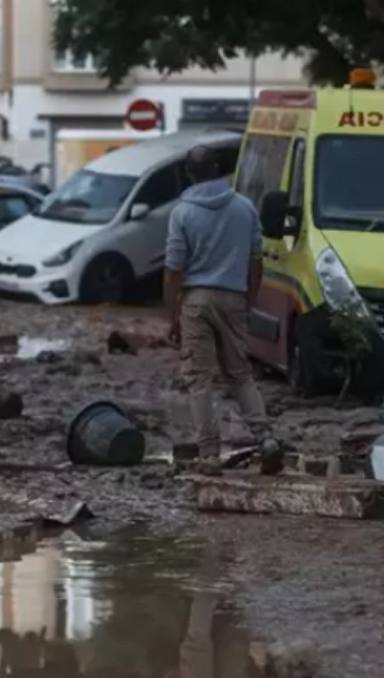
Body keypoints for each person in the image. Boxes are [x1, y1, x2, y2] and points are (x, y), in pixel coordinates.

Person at [164, 145, 280, 475]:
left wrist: (171, 314)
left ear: (188, 173)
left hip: (196, 300)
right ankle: (267, 439)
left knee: (199, 381)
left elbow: (173, 269)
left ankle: (210, 456)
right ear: (218, 169)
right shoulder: (244, 208)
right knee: (241, 375)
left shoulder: (181, 213)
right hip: (234, 296)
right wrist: (249, 300)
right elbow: (256, 262)